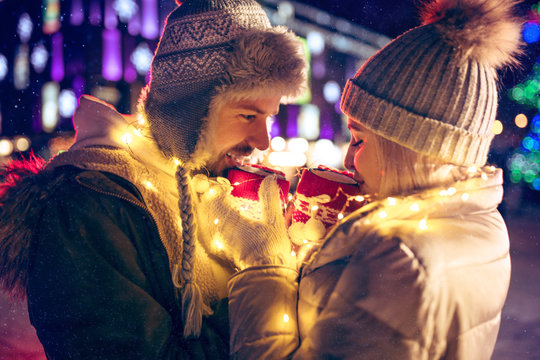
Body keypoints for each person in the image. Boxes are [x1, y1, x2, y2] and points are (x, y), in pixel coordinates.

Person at [200, 0, 523, 358]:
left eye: (359, 139)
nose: (349, 158)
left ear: (409, 145)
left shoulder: (400, 258)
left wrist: (263, 264)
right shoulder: (476, 225)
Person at [0, 0, 307, 358]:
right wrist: (266, 279)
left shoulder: (213, 188)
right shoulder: (87, 205)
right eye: (248, 115)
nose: (262, 142)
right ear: (190, 108)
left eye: (269, 117)